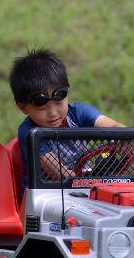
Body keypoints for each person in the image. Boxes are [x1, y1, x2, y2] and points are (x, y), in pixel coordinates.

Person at [10, 48, 124, 196]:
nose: (53, 113)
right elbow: (61, 174)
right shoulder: (30, 132)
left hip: (82, 191)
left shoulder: (78, 113)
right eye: (41, 105)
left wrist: (125, 138)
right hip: (43, 199)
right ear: (23, 107)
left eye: (59, 100)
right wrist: (93, 183)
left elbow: (115, 127)